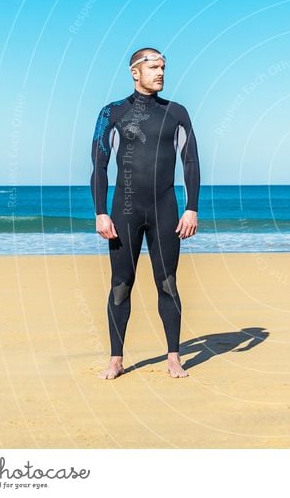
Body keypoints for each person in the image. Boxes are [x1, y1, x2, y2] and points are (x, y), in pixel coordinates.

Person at [90, 47, 200, 379]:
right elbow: (99, 163)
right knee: (121, 284)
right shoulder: (112, 112)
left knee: (167, 283)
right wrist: (100, 212)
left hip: (165, 208)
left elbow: (190, 161)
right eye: (154, 67)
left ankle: (173, 357)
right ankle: (116, 358)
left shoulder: (177, 112)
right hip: (123, 211)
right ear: (135, 72)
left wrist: (192, 207)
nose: (161, 72)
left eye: (163, 67)